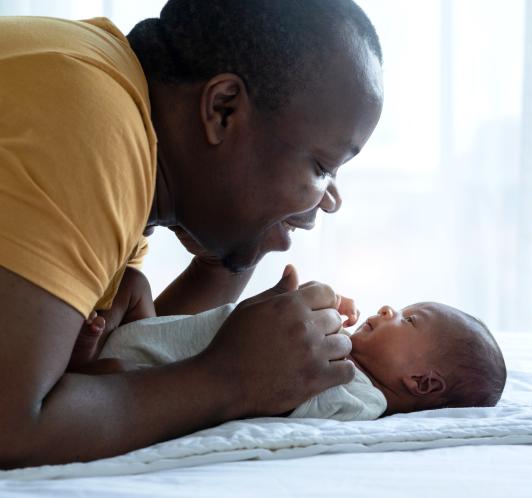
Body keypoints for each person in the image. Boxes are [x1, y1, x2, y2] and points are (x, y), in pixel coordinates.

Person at [0, 0, 383, 468]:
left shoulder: (119, 117)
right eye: (323, 166)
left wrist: (232, 255)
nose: (329, 199)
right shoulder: (92, 123)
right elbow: (13, 425)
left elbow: (141, 362)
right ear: (223, 109)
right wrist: (232, 378)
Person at [98, 267, 508, 420]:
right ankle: (95, 345)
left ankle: (85, 363)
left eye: (410, 319)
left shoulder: (363, 399)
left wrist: (314, 326)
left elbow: (292, 391)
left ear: (424, 382)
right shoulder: (345, 353)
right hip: (156, 335)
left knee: (116, 377)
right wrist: (320, 315)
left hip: (153, 372)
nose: (388, 309)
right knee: (134, 282)